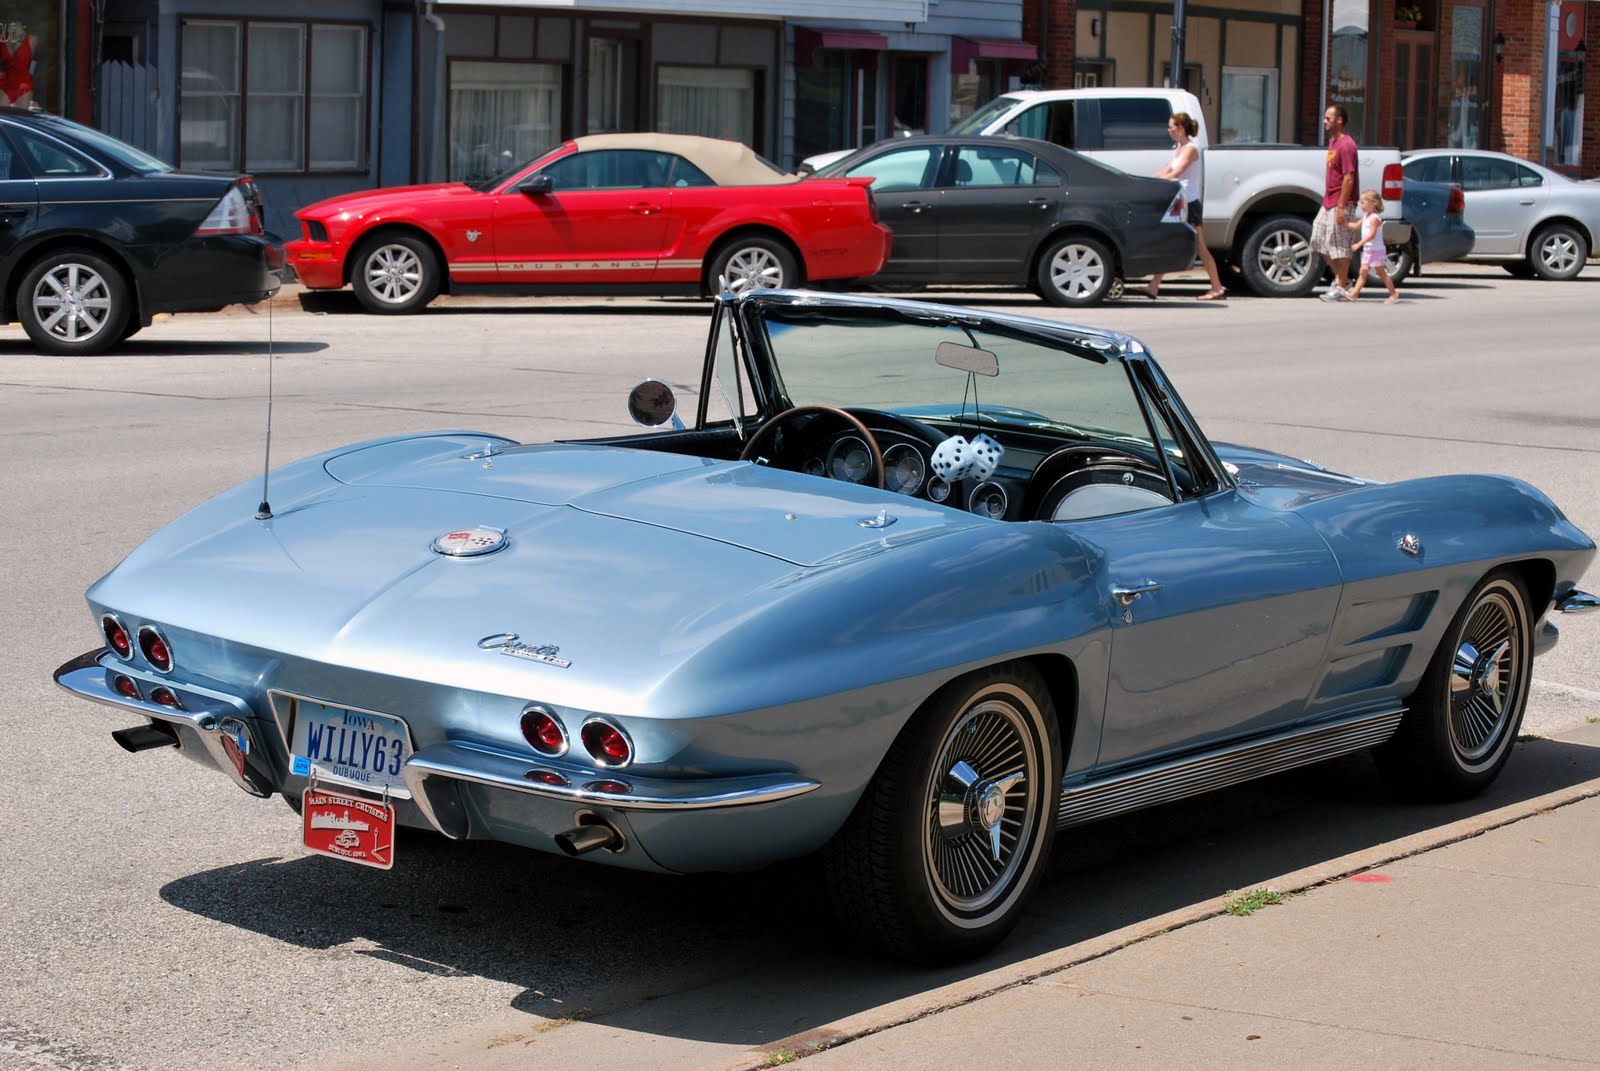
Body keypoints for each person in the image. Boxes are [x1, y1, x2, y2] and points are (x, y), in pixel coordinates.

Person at [1144, 112, 1227, 301]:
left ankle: (1217, 287)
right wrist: (1146, 180)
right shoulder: (1180, 149)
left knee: (1200, 248)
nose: (1169, 131)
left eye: (1171, 127)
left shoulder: (1191, 149)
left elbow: (1178, 173)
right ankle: (1153, 286)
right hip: (1179, 203)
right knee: (1167, 241)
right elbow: (1166, 170)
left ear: (1181, 129)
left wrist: (1157, 182)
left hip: (1189, 204)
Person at [1312, 105, 1359, 302]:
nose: (1324, 122)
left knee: (1339, 246)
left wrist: (1341, 207)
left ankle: (1341, 286)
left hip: (1342, 201)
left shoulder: (1347, 145)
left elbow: (1349, 178)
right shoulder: (1333, 142)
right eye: (1324, 118)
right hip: (1328, 200)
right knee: (1318, 240)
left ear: (1339, 120)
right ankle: (1343, 280)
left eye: (1328, 118)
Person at [1343, 189, 1399, 304]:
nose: (1361, 205)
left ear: (1373, 203)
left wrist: (1358, 244)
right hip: (1369, 250)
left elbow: (1372, 235)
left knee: (1381, 273)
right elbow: (1355, 226)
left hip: (1376, 251)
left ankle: (1393, 294)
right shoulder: (1366, 217)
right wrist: (1343, 223)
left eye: (1363, 203)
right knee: (1363, 272)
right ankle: (1354, 294)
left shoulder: (1374, 218)